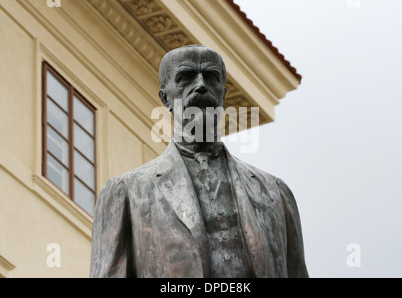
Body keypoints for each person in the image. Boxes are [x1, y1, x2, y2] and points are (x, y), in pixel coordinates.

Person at [89, 45, 308, 278]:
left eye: (211, 77)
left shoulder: (276, 193)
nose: (201, 85)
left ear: (223, 94)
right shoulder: (126, 192)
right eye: (186, 77)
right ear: (165, 98)